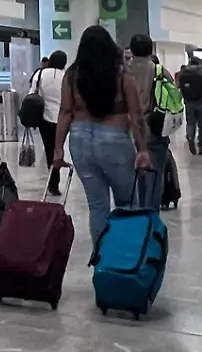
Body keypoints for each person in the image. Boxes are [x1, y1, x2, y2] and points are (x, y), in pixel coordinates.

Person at [51, 25, 152, 259]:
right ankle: (126, 260)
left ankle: (103, 260)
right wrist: (143, 149)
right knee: (127, 203)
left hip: (80, 140)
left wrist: (58, 149)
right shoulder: (122, 75)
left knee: (97, 207)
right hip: (114, 140)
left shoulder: (73, 75)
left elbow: (65, 112)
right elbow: (136, 116)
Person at [25, 51, 66, 194]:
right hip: (61, 118)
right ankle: (55, 182)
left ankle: (53, 183)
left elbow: (32, 93)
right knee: (58, 148)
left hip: (44, 118)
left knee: (49, 149)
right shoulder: (65, 76)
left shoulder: (40, 74)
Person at [177, 58, 202, 155]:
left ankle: (190, 137)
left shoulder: (182, 73)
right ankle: (201, 147)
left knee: (190, 123)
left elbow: (178, 86)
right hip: (201, 101)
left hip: (188, 102)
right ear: (199, 63)